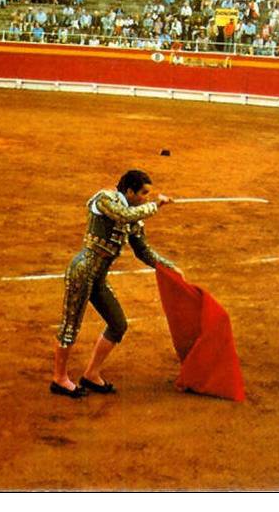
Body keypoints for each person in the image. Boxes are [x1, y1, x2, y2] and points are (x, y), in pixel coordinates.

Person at [50, 169, 180, 399]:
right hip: (81, 271)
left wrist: (169, 267)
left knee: (118, 324)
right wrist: (156, 206)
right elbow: (122, 216)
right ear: (129, 191)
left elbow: (143, 251)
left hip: (98, 276)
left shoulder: (134, 215)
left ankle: (91, 373)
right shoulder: (105, 199)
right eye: (143, 193)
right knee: (71, 326)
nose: (146, 198)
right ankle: (59, 378)